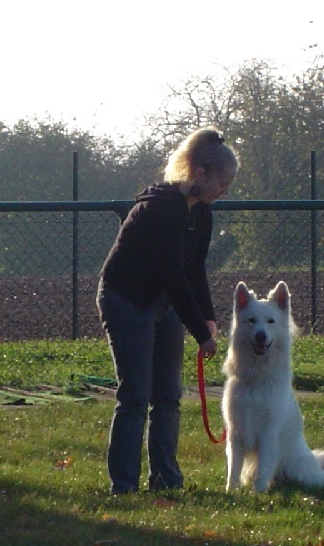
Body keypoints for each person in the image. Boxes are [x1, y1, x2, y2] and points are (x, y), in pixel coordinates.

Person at [96, 127, 238, 495]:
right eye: (223, 182)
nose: (226, 190)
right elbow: (173, 276)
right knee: (136, 396)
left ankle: (166, 480)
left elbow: (195, 271)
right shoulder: (159, 208)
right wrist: (201, 334)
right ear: (200, 173)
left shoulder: (201, 214)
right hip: (126, 300)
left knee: (168, 395)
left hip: (164, 304)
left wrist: (207, 317)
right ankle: (123, 486)